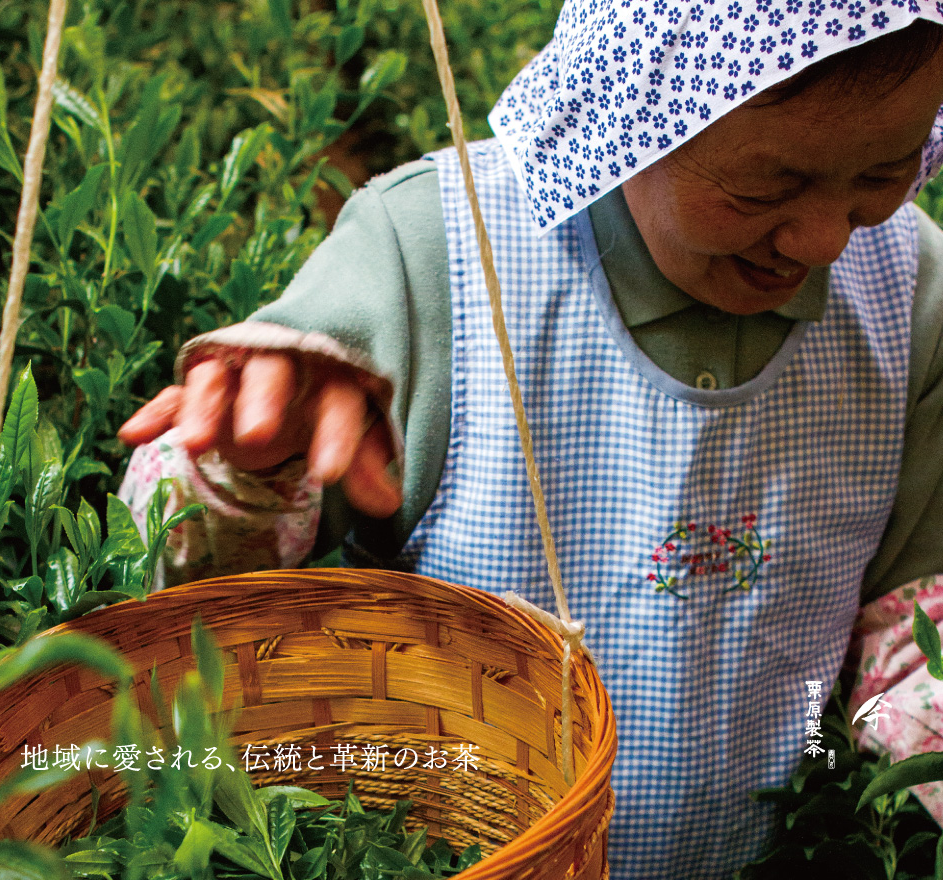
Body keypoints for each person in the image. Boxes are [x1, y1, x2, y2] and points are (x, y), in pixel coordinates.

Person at [118, 0, 943, 875]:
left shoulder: (908, 295)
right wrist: (247, 469)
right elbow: (181, 606)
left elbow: (914, 624)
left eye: (880, 181)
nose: (820, 239)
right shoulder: (436, 253)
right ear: (636, 108)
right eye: (761, 189)